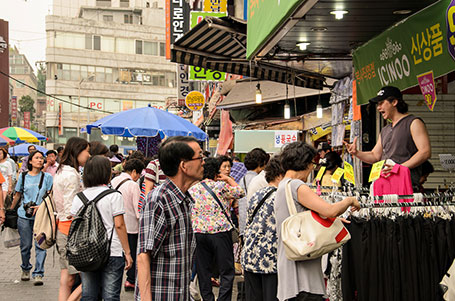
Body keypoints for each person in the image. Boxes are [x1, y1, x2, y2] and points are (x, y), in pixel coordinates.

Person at [275, 142, 360, 301]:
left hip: (288, 266)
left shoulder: (283, 186)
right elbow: (330, 210)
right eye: (312, 164)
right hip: (302, 276)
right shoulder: (297, 185)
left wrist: (332, 219)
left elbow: (307, 216)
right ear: (305, 163)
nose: (312, 169)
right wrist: (349, 200)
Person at [136, 136, 204, 300]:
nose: (203, 162)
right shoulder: (158, 200)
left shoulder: (184, 199)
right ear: (184, 166)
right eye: (200, 157)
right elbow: (144, 255)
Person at [71, 155, 133, 300]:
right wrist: (128, 252)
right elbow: (119, 225)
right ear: (105, 173)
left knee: (88, 295)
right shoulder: (114, 196)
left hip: (86, 251)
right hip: (112, 251)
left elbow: (75, 225)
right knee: (110, 296)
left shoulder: (79, 197)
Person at [344, 86, 431, 188]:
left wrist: (400, 168)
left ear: (394, 102)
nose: (378, 107)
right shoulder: (385, 129)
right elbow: (375, 155)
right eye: (378, 104)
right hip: (386, 185)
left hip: (406, 185)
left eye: (381, 103)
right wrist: (357, 153)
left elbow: (425, 152)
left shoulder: (413, 122)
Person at [189, 158, 244, 301]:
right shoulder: (220, 186)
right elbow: (240, 192)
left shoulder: (193, 189)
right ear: (216, 173)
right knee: (226, 270)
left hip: (200, 233)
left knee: (203, 270)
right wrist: (227, 178)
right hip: (220, 232)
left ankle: (207, 298)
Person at [242, 156, 285, 301]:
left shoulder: (257, 194)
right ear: (280, 175)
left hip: (250, 256)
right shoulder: (281, 196)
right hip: (270, 259)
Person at [53, 137, 90, 301]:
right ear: (77, 151)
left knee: (66, 278)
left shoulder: (61, 171)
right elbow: (71, 209)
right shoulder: (71, 175)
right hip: (72, 231)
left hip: (62, 228)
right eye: (87, 151)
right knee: (89, 278)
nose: (89, 155)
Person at [10, 150, 53, 286]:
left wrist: (41, 206)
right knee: (25, 246)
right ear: (30, 161)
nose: (40, 160)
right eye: (37, 158)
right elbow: (17, 195)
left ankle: (39, 273)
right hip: (24, 216)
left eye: (41, 158)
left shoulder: (47, 177)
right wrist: (10, 210)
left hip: (41, 217)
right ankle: (25, 268)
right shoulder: (23, 177)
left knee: (41, 244)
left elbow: (50, 195)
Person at [110, 158, 145, 291]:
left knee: (118, 253)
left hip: (115, 224)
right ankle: (131, 280)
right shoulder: (133, 185)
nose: (138, 178)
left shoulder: (114, 181)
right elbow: (138, 209)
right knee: (133, 254)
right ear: (135, 171)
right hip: (131, 226)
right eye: (139, 175)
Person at [238, 148, 269, 235]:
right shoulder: (259, 180)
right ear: (260, 164)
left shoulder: (242, 179)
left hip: (244, 224)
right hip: (255, 226)